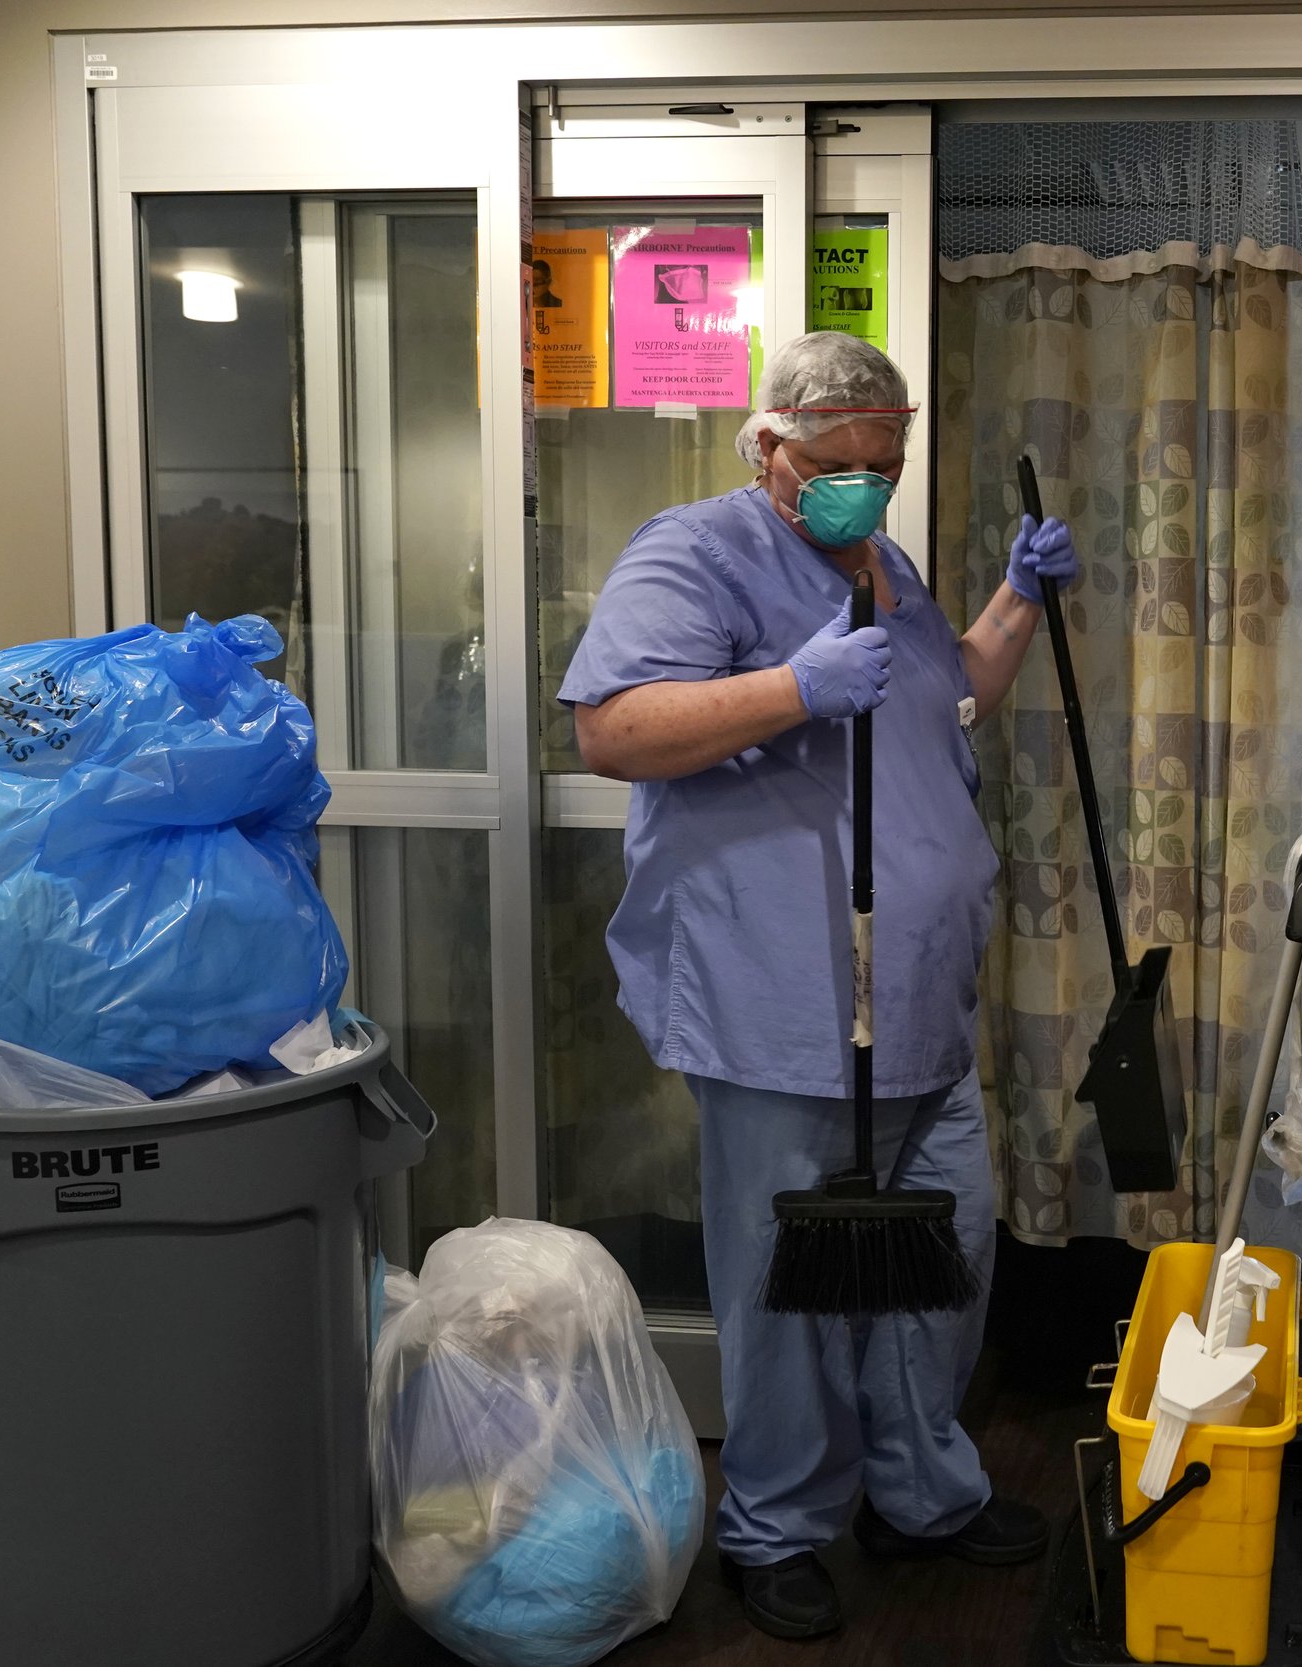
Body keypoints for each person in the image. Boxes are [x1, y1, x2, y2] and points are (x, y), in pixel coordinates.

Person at [557, 331, 1077, 1641]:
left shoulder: (880, 563)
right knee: (788, 1286)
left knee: (938, 1263)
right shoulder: (696, 551)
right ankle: (775, 1526)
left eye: (884, 465)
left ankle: (921, 1492)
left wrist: (1015, 602)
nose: (863, 485)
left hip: (917, 1014)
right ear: (773, 449)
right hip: (785, 1011)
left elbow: (950, 696)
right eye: (838, 464)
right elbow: (613, 728)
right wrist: (793, 684)